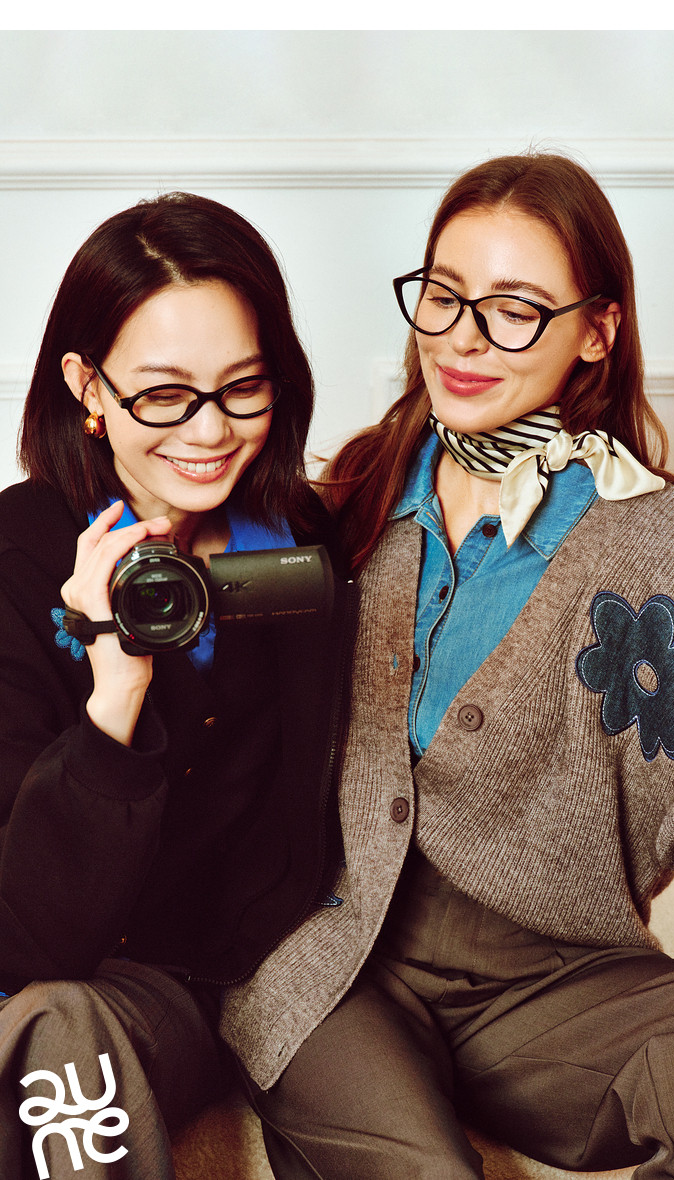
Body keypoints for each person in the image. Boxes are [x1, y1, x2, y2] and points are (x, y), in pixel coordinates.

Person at [220, 153, 674, 1180]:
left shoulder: (644, 534)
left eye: (515, 309)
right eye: (444, 296)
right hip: (335, 959)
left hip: (554, 981)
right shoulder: (354, 494)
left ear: (597, 329)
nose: (462, 338)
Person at [0, 192, 350, 1180]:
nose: (209, 430)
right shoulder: (18, 562)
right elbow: (30, 944)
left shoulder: (303, 550)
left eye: (243, 387)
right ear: (87, 385)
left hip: (244, 976)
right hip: (75, 976)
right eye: (163, 394)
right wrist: (114, 687)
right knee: (56, 1029)